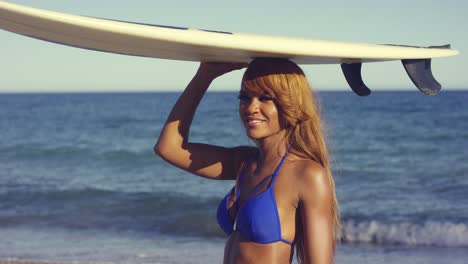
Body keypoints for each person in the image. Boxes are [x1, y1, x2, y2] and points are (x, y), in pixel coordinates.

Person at [155, 58, 341, 264]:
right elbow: (169, 148)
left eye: (265, 98)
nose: (251, 107)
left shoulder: (307, 174)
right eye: (245, 97)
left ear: (290, 103)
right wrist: (205, 75)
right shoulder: (244, 163)